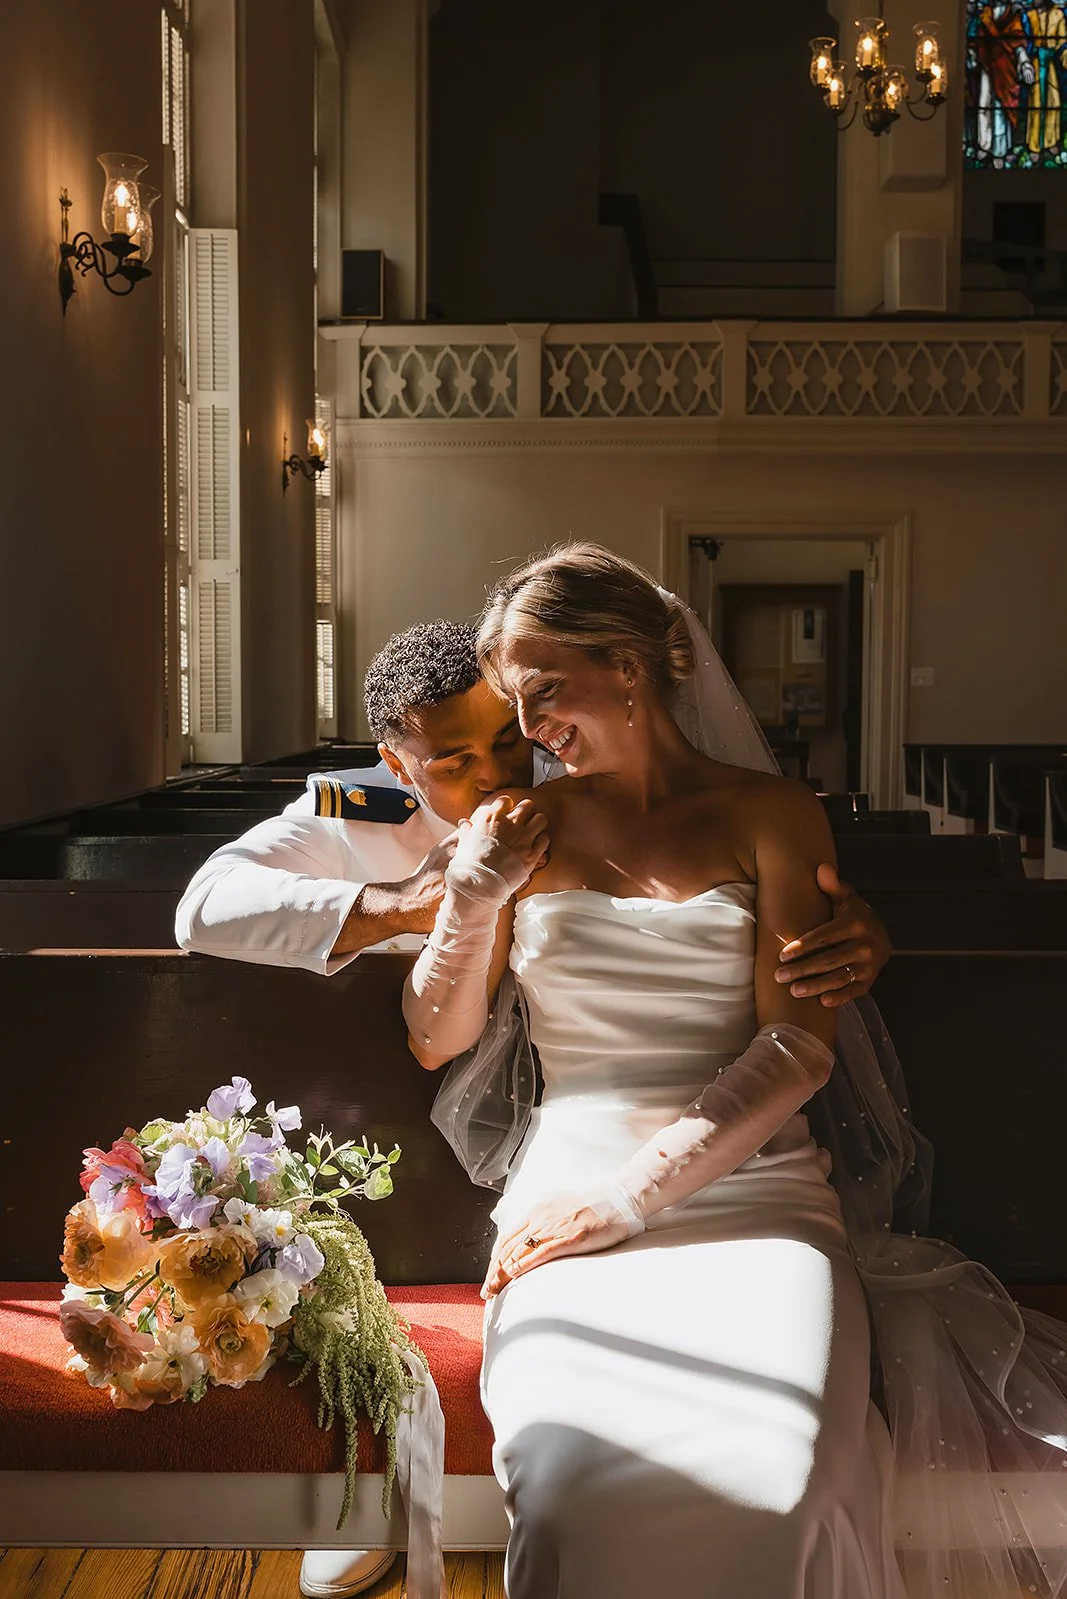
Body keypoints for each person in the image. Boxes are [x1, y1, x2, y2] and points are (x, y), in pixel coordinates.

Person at [174, 619, 892, 1599]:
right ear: (397, 761)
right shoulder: (355, 803)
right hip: (433, 1137)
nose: (494, 775)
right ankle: (374, 1471)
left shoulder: (587, 789)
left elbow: (718, 897)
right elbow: (202, 907)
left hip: (652, 1141)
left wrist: (845, 928)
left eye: (507, 740)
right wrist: (408, 899)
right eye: (452, 760)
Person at [406, 545, 1067, 1599]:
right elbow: (437, 1039)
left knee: (779, 1481)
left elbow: (797, 1046)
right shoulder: (518, 827)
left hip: (754, 1195)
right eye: (513, 701)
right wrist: (473, 900)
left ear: (626, 665)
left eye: (542, 691)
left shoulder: (768, 813)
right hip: (562, 1198)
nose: (525, 730)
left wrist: (632, 1199)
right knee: (573, 1490)